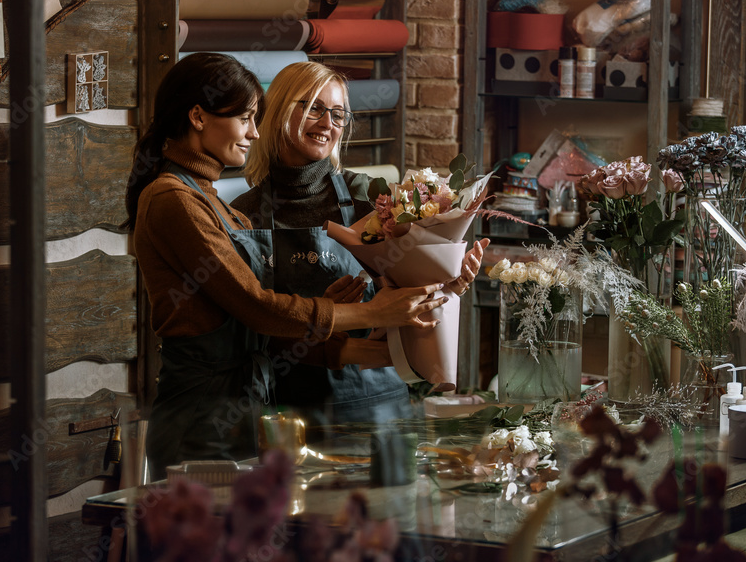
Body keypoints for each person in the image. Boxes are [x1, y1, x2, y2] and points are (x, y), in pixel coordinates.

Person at [123, 53, 447, 478]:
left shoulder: (220, 208)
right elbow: (257, 308)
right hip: (206, 414)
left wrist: (386, 352)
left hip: (248, 409)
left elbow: (261, 333)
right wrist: (370, 313)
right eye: (245, 118)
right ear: (198, 117)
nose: (253, 133)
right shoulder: (177, 200)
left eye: (338, 114)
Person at [233, 61, 488, 423]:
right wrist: (320, 312)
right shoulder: (243, 214)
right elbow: (249, 325)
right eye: (313, 108)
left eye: (338, 114)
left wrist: (451, 283)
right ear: (278, 112)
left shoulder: (372, 199)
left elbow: (413, 293)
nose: (327, 124)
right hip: (288, 406)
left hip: (376, 396)